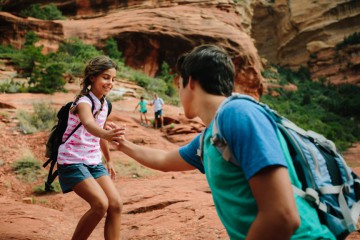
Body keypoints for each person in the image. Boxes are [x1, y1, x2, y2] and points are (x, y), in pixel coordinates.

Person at [111, 44, 336, 239]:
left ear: (190, 82)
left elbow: (282, 216)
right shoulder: (210, 138)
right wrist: (123, 144)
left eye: (179, 85)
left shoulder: (238, 113)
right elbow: (164, 160)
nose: (179, 95)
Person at [57, 56, 124, 240]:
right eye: (105, 77)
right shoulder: (84, 102)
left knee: (116, 204)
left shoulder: (104, 104)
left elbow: (98, 133)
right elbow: (88, 123)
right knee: (100, 204)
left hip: (93, 161)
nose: (110, 82)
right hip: (72, 160)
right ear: (92, 77)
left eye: (113, 79)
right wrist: (107, 134)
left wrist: (108, 160)